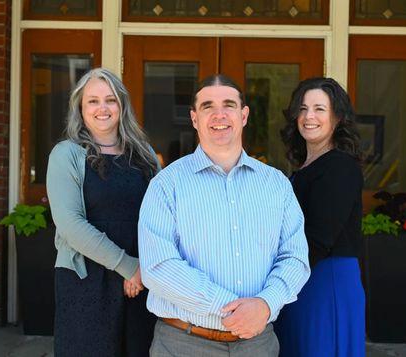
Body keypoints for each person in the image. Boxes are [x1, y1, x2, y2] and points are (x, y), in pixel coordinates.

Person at [138, 74, 310, 357]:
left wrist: (265, 304)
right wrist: (235, 309)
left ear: (243, 115)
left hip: (258, 344)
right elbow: (158, 267)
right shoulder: (166, 185)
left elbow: (295, 257)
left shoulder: (275, 184)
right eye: (208, 106)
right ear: (194, 118)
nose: (219, 114)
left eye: (229, 105)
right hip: (183, 343)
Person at [46, 68, 160, 356]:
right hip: (87, 281)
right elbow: (70, 224)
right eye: (93, 101)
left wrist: (143, 269)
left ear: (122, 106)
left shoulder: (145, 154)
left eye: (110, 100)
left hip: (140, 281)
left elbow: (162, 215)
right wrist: (128, 266)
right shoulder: (67, 154)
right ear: (80, 108)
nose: (102, 108)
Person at [274, 77, 365, 357]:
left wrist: (278, 284)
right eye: (302, 109)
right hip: (301, 278)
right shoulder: (303, 168)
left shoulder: (340, 166)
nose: (308, 116)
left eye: (319, 109)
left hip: (326, 280)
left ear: (337, 117)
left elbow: (319, 238)